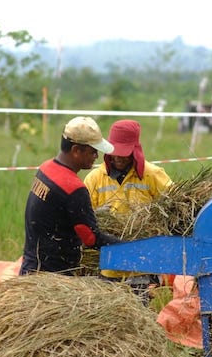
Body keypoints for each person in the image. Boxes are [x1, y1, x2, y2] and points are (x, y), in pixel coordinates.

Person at [19, 116, 120, 276]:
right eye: (93, 151)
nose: (96, 156)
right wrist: (126, 246)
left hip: (31, 267)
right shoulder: (74, 188)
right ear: (76, 151)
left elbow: (57, 214)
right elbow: (91, 238)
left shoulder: (46, 168)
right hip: (53, 276)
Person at [84, 119, 173, 288]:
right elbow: (82, 219)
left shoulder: (152, 175)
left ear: (135, 150)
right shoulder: (95, 178)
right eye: (113, 151)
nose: (117, 157)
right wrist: (96, 215)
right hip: (109, 267)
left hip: (142, 268)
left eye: (123, 152)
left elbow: (175, 206)